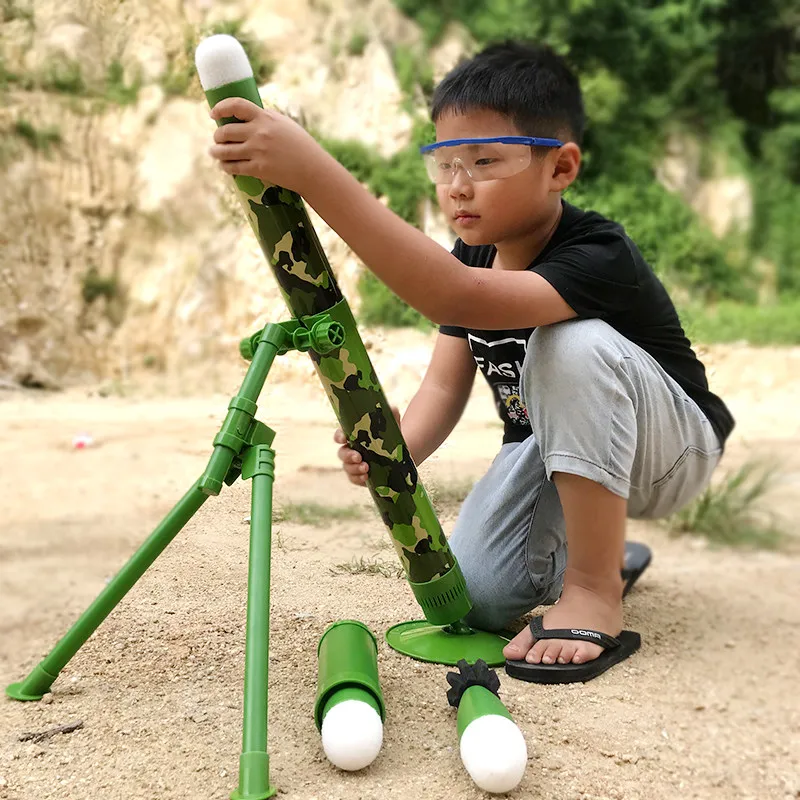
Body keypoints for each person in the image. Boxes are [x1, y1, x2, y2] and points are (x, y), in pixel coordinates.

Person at [208, 41, 734, 682]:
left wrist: (314, 172)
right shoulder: (472, 257)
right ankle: (601, 546)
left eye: (486, 161)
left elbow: (454, 296)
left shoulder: (598, 253)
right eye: (446, 162)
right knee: (480, 596)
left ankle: (595, 590)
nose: (460, 186)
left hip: (668, 452)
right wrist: (397, 448)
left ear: (560, 169)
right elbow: (443, 385)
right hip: (554, 453)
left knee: (569, 342)